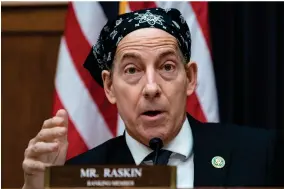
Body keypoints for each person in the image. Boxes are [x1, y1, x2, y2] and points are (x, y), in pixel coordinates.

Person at [22, 7, 283, 189]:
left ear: (190, 78)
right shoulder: (81, 174)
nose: (151, 87)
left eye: (167, 67)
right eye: (132, 70)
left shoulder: (259, 154)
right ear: (110, 87)